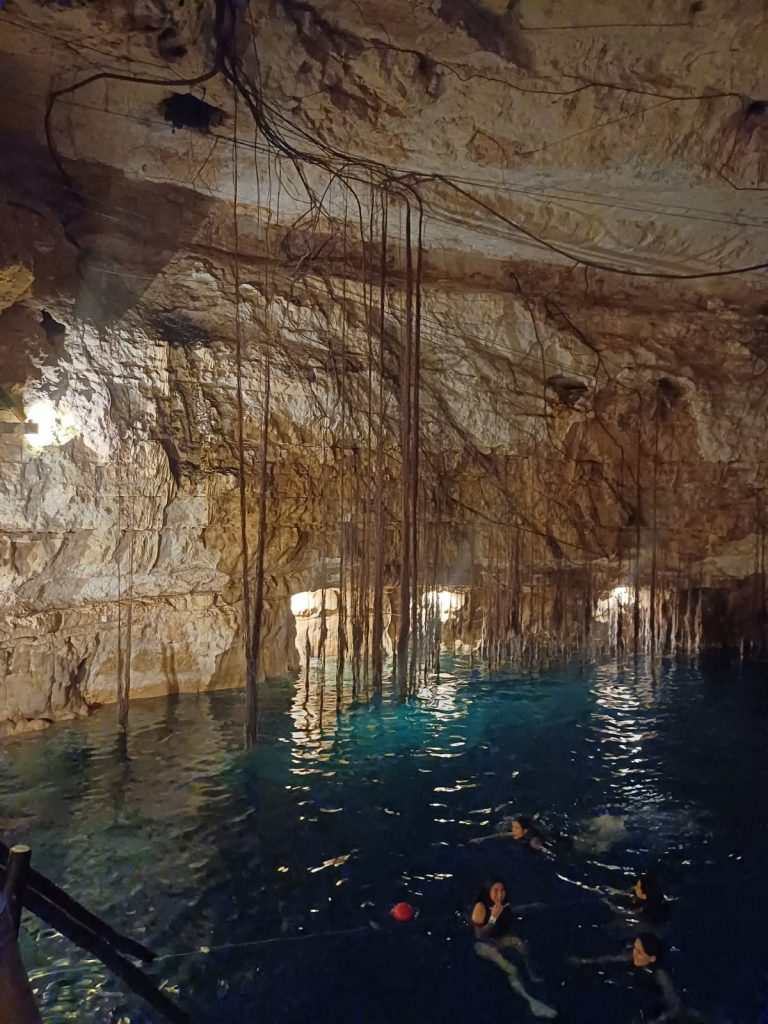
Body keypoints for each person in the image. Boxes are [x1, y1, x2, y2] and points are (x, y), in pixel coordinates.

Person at [570, 932, 706, 1022]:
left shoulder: (660, 975)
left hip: (659, 1003)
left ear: (651, 958)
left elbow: (675, 1005)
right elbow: (612, 958)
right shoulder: (634, 958)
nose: (634, 954)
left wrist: (658, 1021)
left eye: (639, 952)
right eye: (635, 948)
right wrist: (584, 962)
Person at [471, 879, 557, 1019]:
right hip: (482, 945)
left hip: (496, 940)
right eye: (496, 890)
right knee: (512, 969)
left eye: (502, 890)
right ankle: (531, 1001)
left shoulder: (499, 905)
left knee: (521, 944)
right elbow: (479, 934)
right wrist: (493, 918)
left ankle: (531, 973)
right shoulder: (480, 908)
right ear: (488, 892)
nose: (500, 894)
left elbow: (512, 910)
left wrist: (532, 906)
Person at [470, 814, 546, 849]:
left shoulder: (533, 838)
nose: (513, 830)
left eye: (516, 828)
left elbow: (537, 844)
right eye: (513, 827)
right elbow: (500, 834)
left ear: (525, 830)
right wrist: (482, 838)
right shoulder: (521, 833)